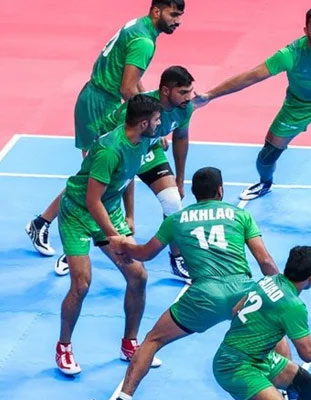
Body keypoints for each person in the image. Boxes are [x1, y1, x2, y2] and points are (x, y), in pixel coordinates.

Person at [26, 0, 185, 258]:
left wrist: (153, 112)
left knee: (104, 172)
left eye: (180, 16)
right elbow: (127, 89)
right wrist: (153, 126)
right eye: (173, 14)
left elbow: (132, 79)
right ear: (157, 11)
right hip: (100, 107)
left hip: (98, 99)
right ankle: (58, 231)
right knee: (94, 177)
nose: (177, 21)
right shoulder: (144, 42)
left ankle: (45, 223)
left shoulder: (139, 27)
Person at [110, 166, 281, 399]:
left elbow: (146, 253)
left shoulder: (176, 220)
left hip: (203, 297)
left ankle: (125, 395)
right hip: (243, 292)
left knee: (152, 340)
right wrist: (278, 295)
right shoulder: (240, 215)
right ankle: (282, 389)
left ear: (194, 193)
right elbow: (265, 261)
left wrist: (123, 245)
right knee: (273, 331)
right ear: (220, 190)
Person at [193, 5, 311, 201]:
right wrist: (210, 95)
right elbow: (250, 77)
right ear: (306, 30)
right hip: (297, 107)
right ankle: (265, 183)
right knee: (267, 156)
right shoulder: (290, 55)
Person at [55, 95, 164, 376]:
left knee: (138, 276)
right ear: (142, 123)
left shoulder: (143, 141)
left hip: (110, 209)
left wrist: (129, 216)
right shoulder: (109, 150)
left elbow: (127, 178)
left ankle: (129, 344)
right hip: (78, 213)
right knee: (81, 285)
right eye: (155, 120)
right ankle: (64, 346)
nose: (159, 123)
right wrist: (115, 237)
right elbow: (92, 201)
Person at [53, 65, 196, 279]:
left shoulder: (185, 108)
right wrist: (130, 215)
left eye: (191, 91)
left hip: (148, 147)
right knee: (93, 194)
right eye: (184, 92)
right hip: (118, 150)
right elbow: (123, 162)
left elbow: (181, 138)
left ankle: (176, 257)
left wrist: (180, 179)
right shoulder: (132, 118)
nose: (189, 97)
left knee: (173, 201)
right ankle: (73, 249)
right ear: (166, 91)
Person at [212, 246, 311, 400]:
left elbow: (236, 310)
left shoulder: (268, 280)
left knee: (307, 384)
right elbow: (310, 353)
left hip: (258, 358)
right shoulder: (293, 306)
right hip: (234, 367)